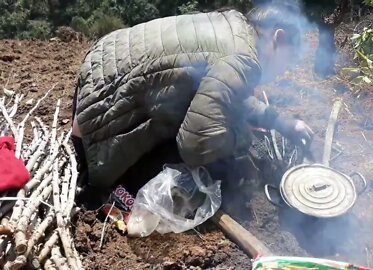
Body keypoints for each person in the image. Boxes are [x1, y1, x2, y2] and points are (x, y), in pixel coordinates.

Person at [70, 2, 314, 199]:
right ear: (278, 38)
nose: (284, 71)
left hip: (98, 70)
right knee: (219, 162)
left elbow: (228, 96)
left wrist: (282, 123)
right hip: (99, 128)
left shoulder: (233, 26)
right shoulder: (242, 58)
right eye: (289, 61)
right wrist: (242, 137)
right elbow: (196, 145)